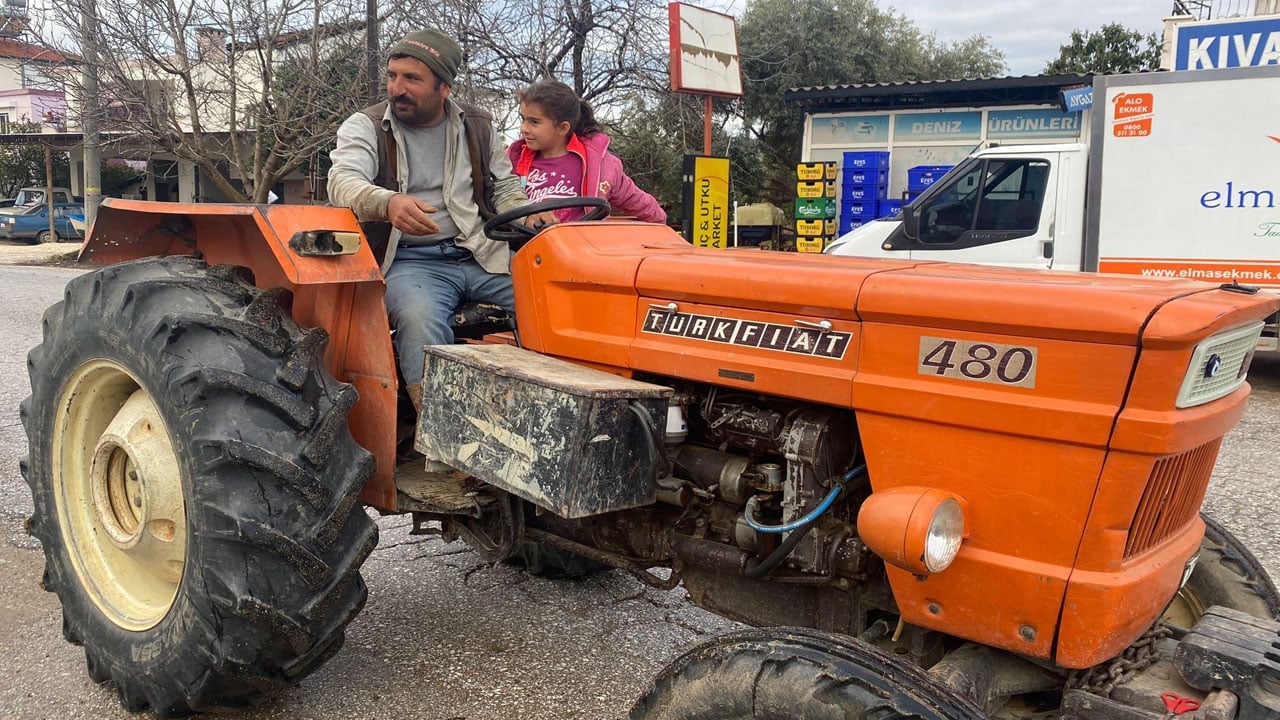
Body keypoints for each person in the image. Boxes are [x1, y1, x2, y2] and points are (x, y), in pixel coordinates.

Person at [329, 28, 556, 406]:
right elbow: (343, 182)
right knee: (421, 321)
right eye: (392, 75)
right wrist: (387, 203)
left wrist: (527, 217)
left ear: (444, 88)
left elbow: (504, 187)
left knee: (549, 300)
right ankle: (439, 432)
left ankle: (545, 404)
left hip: (480, 253)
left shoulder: (477, 125)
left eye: (412, 78)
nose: (397, 88)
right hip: (410, 261)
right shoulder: (365, 125)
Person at [507, 80, 666, 224]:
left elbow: (636, 200)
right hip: (527, 249)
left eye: (534, 122)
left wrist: (661, 222)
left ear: (563, 128)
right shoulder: (511, 161)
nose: (524, 129)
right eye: (523, 119)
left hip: (580, 249)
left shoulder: (601, 166)